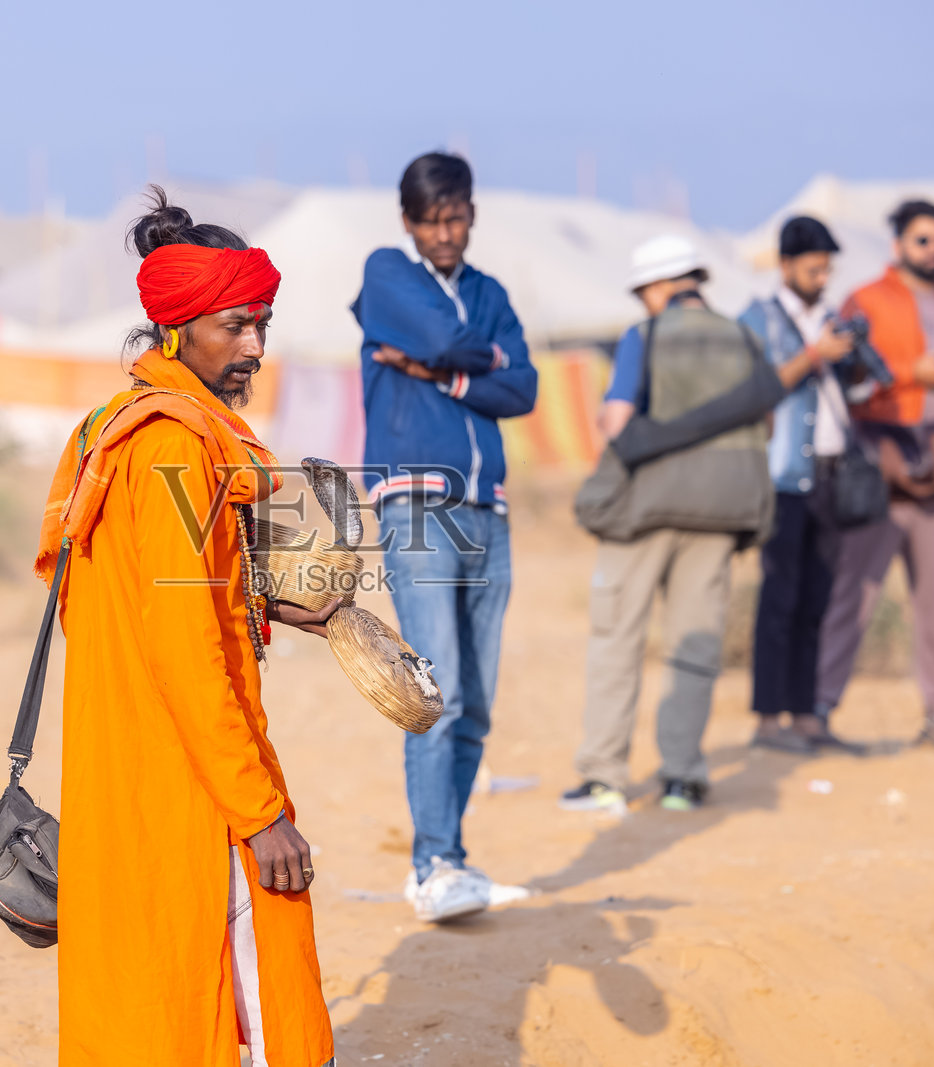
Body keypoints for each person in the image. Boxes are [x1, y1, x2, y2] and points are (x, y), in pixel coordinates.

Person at [35, 189, 336, 1066]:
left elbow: (152, 596)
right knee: (257, 1014)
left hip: (133, 767)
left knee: (150, 1001)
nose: (255, 347)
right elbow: (182, 648)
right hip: (193, 785)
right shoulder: (172, 443)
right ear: (175, 332)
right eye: (235, 326)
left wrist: (267, 600)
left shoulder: (111, 428)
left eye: (262, 324)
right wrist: (260, 814)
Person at [561, 235, 831, 815]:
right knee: (695, 646)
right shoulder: (744, 339)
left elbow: (617, 422)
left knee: (618, 640)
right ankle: (682, 778)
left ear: (660, 287)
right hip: (720, 515)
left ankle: (604, 776)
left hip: (644, 513)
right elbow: (764, 426)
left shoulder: (645, 336)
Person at [351, 152, 538, 922]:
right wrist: (476, 354)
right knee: (439, 690)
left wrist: (444, 373)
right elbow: (444, 335)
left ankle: (450, 859)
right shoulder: (386, 273)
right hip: (418, 503)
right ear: (408, 221)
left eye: (455, 217)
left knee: (478, 703)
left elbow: (524, 386)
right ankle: (430, 865)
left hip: (487, 507)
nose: (444, 233)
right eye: (430, 220)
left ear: (472, 214)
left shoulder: (490, 291)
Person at [815, 200, 934, 755]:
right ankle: (815, 712)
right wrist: (908, 373)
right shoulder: (867, 301)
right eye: (923, 240)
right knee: (855, 594)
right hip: (883, 466)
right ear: (897, 246)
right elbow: (847, 375)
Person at [738, 217, 866, 755]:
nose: (821, 279)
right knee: (779, 599)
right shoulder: (758, 320)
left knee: (819, 599)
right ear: (786, 265)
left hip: (831, 476)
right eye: (813, 269)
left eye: (827, 270)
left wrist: (855, 358)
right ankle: (769, 720)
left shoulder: (833, 318)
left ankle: (808, 717)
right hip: (782, 477)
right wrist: (815, 356)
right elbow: (755, 390)